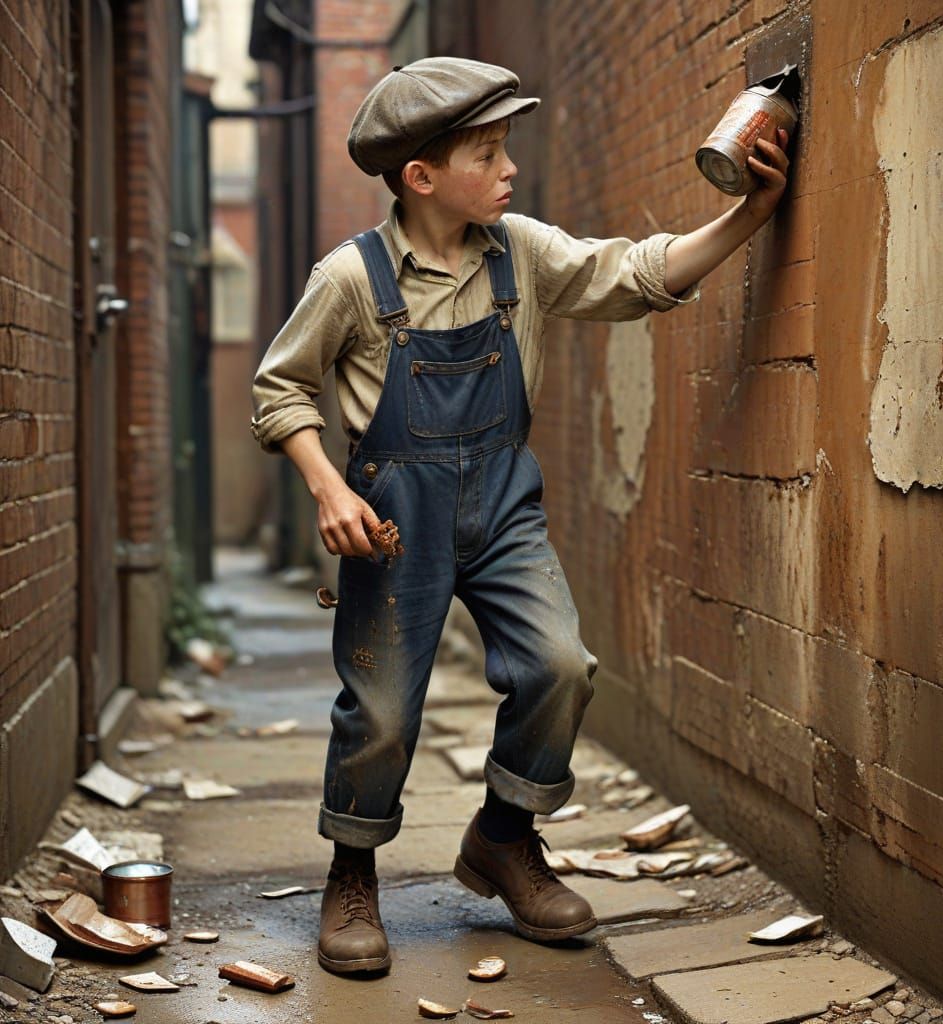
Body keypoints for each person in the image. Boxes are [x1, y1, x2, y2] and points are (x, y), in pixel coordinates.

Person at [250, 56, 789, 977]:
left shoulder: (522, 253)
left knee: (559, 667)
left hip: (502, 506)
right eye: (489, 154)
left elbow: (635, 273)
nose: (509, 171)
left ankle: (503, 840)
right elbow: (280, 388)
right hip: (394, 521)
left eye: (508, 151)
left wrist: (750, 214)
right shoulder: (350, 278)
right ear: (421, 177)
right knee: (382, 711)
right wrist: (329, 489)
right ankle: (352, 875)